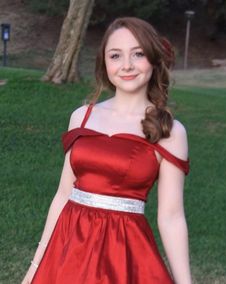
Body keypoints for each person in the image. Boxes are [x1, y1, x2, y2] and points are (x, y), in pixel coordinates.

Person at [22, 17, 192, 284]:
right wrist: (34, 268)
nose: (126, 65)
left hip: (122, 254)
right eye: (116, 55)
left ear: (154, 58)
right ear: (104, 62)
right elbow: (63, 195)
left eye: (138, 54)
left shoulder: (170, 131)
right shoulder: (82, 117)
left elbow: (171, 217)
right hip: (68, 250)